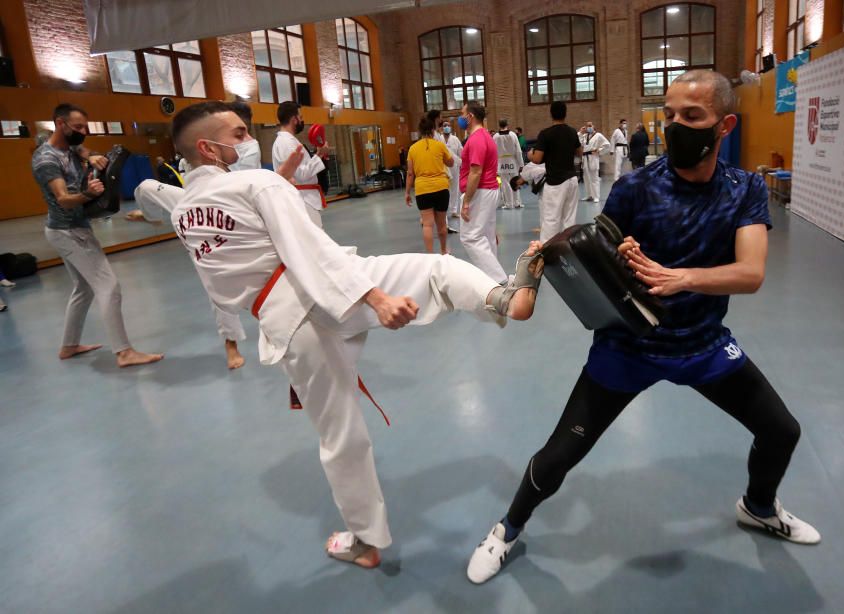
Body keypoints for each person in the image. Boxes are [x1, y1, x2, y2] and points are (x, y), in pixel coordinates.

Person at [467, 69, 820, 585]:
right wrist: (621, 260)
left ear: (724, 126)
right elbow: (598, 262)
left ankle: (759, 507)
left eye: (692, 116)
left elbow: (751, 272)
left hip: (702, 344)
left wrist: (683, 279)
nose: (677, 125)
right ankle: (506, 529)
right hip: (628, 348)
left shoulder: (744, 190)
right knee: (560, 453)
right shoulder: (634, 188)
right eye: (671, 114)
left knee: (781, 430)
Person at [167, 100, 545, 569]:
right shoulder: (258, 183)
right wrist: (376, 298)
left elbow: (222, 286)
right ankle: (499, 297)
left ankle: (366, 542)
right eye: (240, 133)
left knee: (341, 435)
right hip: (319, 293)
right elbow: (311, 252)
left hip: (285, 316)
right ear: (209, 148)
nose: (248, 141)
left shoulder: (182, 213)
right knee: (435, 270)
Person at [133, 101, 300, 370]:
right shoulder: (202, 146)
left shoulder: (249, 149)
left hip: (237, 208)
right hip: (196, 200)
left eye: (245, 131)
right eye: (238, 133)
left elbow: (252, 184)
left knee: (247, 271)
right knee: (147, 187)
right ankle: (230, 343)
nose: (246, 139)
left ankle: (270, 327)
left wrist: (278, 180)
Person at [31, 103, 163, 367]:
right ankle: (124, 352)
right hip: (69, 231)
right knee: (109, 286)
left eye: (85, 127)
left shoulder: (66, 145)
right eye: (78, 127)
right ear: (60, 123)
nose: (83, 132)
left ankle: (69, 346)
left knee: (83, 289)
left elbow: (81, 149)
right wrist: (89, 194)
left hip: (68, 229)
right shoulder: (47, 160)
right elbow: (64, 199)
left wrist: (90, 156)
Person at [458, 100, 507, 284]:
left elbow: (476, 171)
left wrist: (466, 201)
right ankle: (491, 280)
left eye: (462, 114)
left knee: (470, 237)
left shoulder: (477, 139)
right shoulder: (484, 136)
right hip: (488, 190)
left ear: (470, 117)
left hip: (480, 191)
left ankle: (499, 280)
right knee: (487, 235)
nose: (460, 118)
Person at [272, 101, 331, 227]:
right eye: (301, 117)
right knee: (314, 241)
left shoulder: (289, 141)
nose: (302, 120)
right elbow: (300, 174)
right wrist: (319, 154)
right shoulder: (286, 143)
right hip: (302, 200)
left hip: (304, 199)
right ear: (294, 119)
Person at [532, 101, 583, 242]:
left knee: (551, 219)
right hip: (572, 180)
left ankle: (546, 254)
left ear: (551, 114)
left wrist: (530, 154)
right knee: (569, 219)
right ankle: (568, 250)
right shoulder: (572, 131)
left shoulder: (545, 134)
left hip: (555, 182)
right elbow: (580, 153)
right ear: (565, 114)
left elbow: (537, 159)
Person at [405, 115, 454, 254]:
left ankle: (430, 256)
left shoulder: (413, 149)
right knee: (441, 224)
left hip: (422, 190)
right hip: (441, 188)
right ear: (433, 130)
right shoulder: (440, 145)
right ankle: (444, 251)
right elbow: (450, 163)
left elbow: (410, 173)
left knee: (427, 224)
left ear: (420, 131)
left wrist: (407, 192)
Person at [494, 119, 525, 210]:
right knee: (515, 181)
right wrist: (521, 164)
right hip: (512, 160)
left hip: (501, 162)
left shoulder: (495, 136)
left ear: (499, 125)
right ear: (507, 124)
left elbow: (493, 152)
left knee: (505, 183)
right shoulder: (513, 135)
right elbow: (518, 150)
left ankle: (508, 204)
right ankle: (517, 203)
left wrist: (495, 166)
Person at [578, 121, 611, 205]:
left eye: (590, 125)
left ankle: (596, 196)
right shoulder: (585, 136)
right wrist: (580, 133)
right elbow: (579, 143)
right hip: (585, 157)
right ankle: (589, 195)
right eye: (587, 126)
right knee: (586, 178)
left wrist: (599, 150)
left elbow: (607, 145)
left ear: (593, 126)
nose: (589, 127)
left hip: (593, 157)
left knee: (594, 177)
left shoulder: (598, 135)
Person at [441, 119, 464, 232]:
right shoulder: (438, 139)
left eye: (448, 126)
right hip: (443, 167)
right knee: (444, 190)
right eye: (445, 125)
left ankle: (454, 210)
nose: (447, 127)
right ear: (441, 128)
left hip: (454, 167)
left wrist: (462, 163)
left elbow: (461, 152)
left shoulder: (455, 139)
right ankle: (444, 211)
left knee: (455, 189)